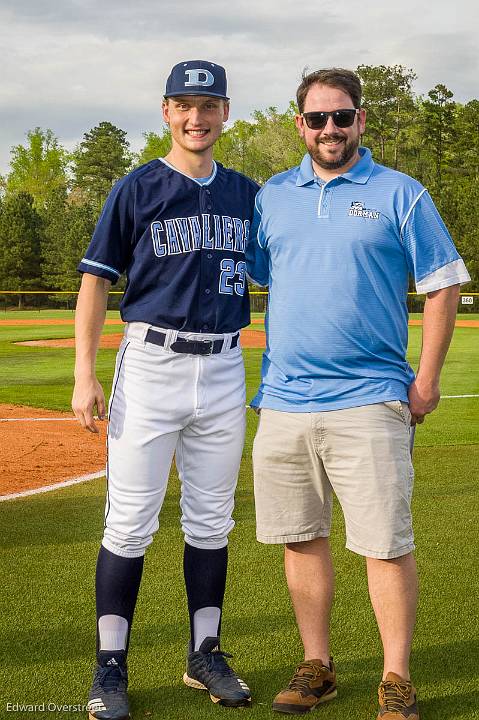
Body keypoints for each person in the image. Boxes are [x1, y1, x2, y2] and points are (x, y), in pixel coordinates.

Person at [246, 68, 470, 719]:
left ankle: (395, 678)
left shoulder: (400, 193)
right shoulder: (271, 198)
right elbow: (248, 276)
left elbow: (444, 282)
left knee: (385, 543)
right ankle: (317, 665)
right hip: (284, 401)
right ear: (299, 125)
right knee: (300, 538)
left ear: (360, 120)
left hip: (369, 397)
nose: (329, 130)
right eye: (316, 119)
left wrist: (424, 381)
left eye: (341, 117)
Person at [72, 59, 258, 719]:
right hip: (151, 365)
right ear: (165, 111)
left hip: (225, 367)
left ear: (225, 112)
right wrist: (84, 372)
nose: (196, 118)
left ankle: (204, 654)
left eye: (207, 106)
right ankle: (110, 668)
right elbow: (95, 279)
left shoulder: (244, 192)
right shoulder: (138, 187)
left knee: (212, 520)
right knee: (129, 524)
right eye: (184, 105)